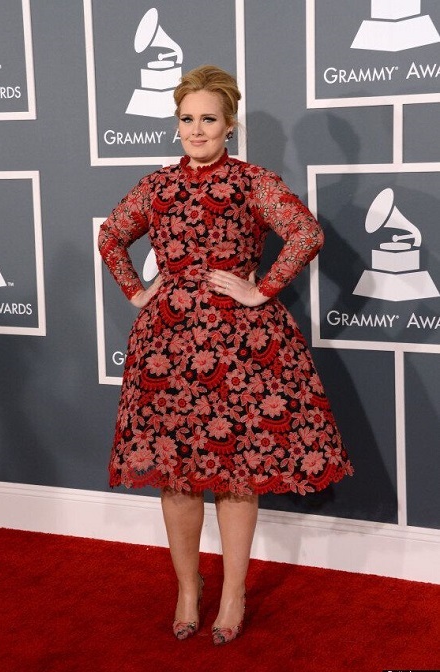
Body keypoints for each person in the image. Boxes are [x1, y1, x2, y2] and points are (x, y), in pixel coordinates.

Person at [99, 64, 353, 646]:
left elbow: (305, 233)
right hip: (166, 343)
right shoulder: (158, 186)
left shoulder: (251, 182)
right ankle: (188, 589)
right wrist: (138, 292)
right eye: (187, 119)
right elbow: (112, 235)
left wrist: (259, 288)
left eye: (208, 119)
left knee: (236, 474)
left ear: (229, 124)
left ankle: (233, 593)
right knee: (177, 474)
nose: (196, 130)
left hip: (240, 346)